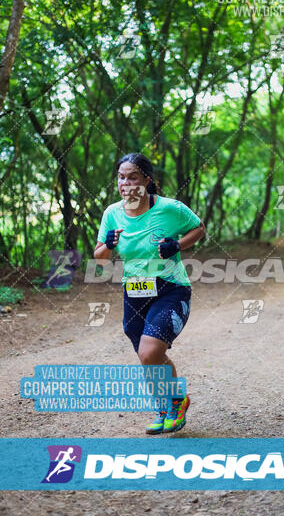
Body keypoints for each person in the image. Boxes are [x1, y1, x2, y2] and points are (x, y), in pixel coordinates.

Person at [94, 153, 205, 434]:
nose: (126, 183)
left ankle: (175, 402)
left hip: (171, 288)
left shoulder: (170, 209)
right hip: (134, 292)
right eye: (121, 177)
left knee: (150, 351)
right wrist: (107, 244)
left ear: (146, 179)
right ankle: (167, 406)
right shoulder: (112, 213)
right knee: (149, 357)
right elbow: (100, 258)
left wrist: (177, 245)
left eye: (132, 176)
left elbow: (199, 228)